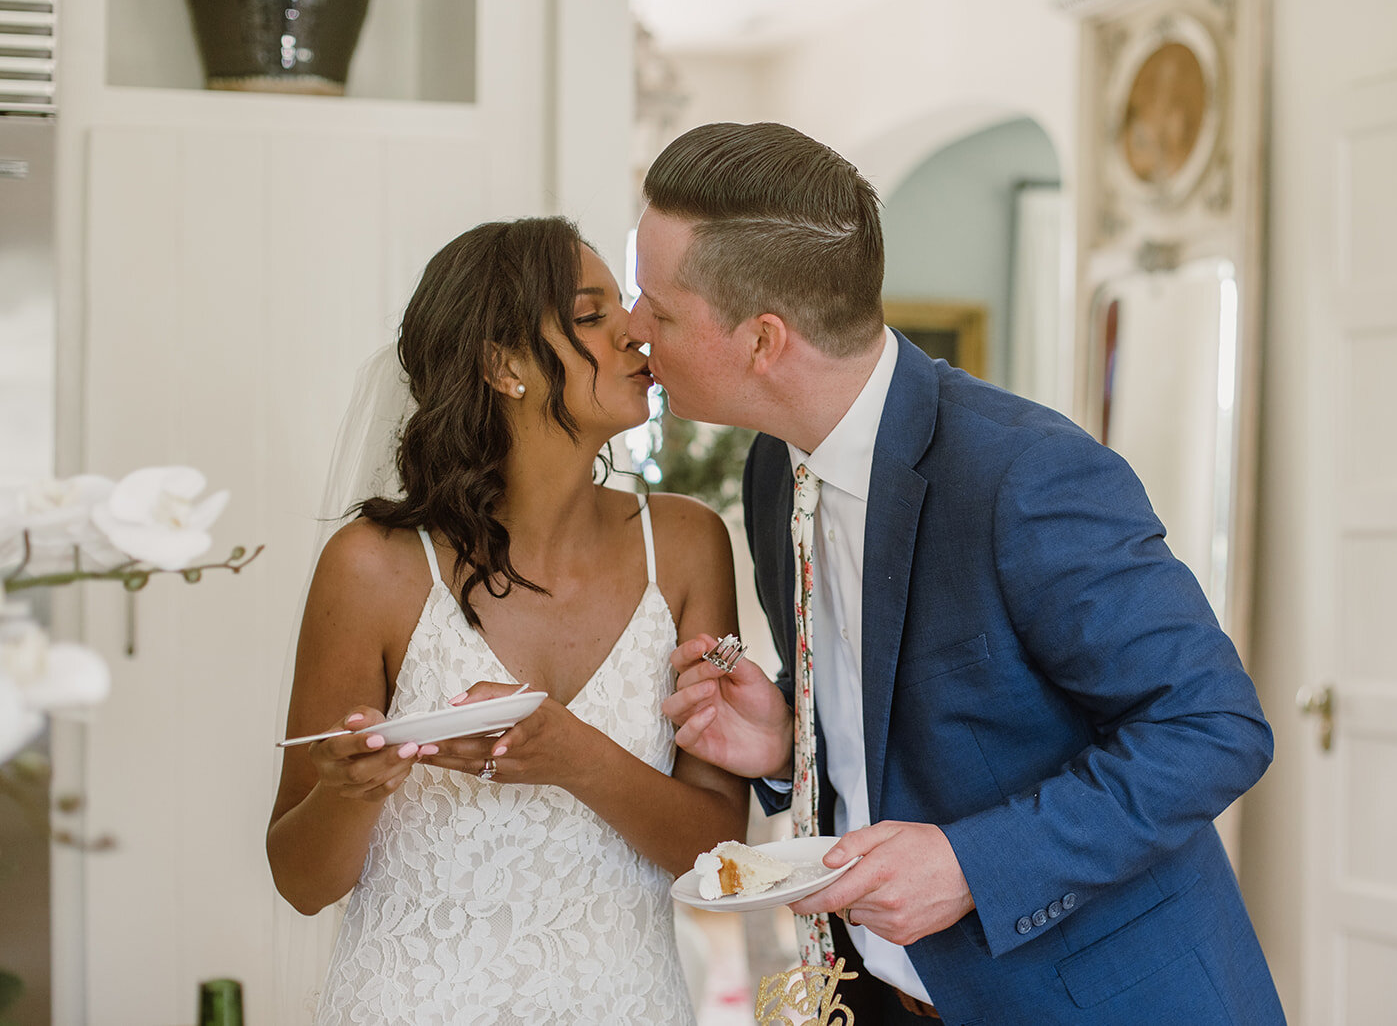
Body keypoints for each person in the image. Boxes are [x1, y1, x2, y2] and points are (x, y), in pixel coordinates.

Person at [636, 123, 1285, 1024]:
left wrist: (971, 865)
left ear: (762, 341)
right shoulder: (775, 465)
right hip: (885, 997)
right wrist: (788, 740)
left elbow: (1214, 726)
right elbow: (901, 717)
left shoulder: (1024, 475)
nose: (635, 331)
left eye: (658, 310)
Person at [267, 217, 747, 1025]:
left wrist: (575, 755)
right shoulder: (372, 566)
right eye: (594, 314)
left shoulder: (689, 545)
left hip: (630, 1005)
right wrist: (349, 792)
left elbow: (714, 849)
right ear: (503, 363)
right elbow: (301, 880)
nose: (637, 331)